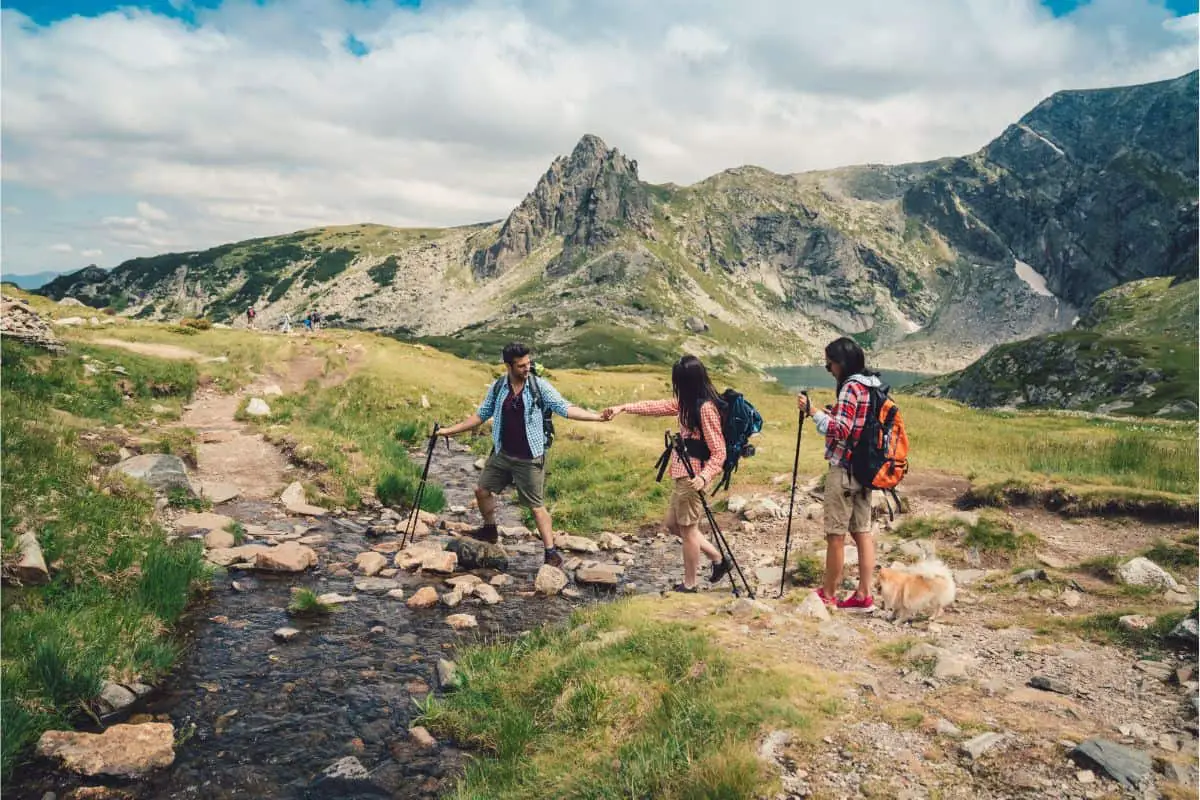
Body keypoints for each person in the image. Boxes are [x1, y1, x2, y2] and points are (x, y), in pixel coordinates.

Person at [438, 342, 608, 567]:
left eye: (528, 363)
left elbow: (564, 407)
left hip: (530, 457)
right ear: (508, 366)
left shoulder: (539, 386)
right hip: (502, 453)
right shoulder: (499, 387)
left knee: (535, 505)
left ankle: (550, 552)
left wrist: (596, 417)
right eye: (521, 366)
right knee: (481, 490)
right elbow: (480, 415)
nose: (527, 368)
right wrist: (449, 431)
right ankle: (490, 530)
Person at [602, 355, 732, 593]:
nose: (676, 387)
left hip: (693, 478)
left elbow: (719, 451)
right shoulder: (686, 403)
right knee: (673, 525)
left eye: (679, 382)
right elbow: (655, 406)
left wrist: (704, 478)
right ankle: (718, 559)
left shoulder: (705, 408)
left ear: (688, 382)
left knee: (689, 530)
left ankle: (690, 584)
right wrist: (624, 407)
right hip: (682, 474)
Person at [795, 337, 882, 612]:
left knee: (836, 534)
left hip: (844, 468)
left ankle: (828, 593)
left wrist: (813, 413)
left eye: (830, 363)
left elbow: (841, 430)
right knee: (862, 531)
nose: (828, 368)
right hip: (866, 470)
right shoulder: (872, 385)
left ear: (841, 362)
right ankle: (864, 594)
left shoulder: (849, 388)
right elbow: (857, 424)